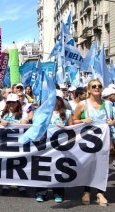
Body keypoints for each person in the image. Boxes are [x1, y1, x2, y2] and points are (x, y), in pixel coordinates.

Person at [72, 79, 112, 207]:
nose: (97, 88)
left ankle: (100, 193)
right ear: (88, 89)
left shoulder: (108, 104)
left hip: (104, 141)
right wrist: (84, 120)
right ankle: (87, 191)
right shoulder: (83, 104)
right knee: (88, 165)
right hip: (87, 141)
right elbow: (74, 121)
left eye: (99, 86)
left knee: (102, 166)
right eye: (94, 86)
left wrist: (112, 122)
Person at [35, 90, 71, 203]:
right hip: (45, 146)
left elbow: (73, 128)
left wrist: (64, 128)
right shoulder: (43, 113)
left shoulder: (68, 113)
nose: (55, 101)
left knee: (59, 169)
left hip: (60, 147)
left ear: (60, 101)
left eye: (57, 99)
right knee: (44, 169)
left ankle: (58, 193)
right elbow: (36, 126)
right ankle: (41, 193)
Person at [0, 93, 29, 197]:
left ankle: (21, 185)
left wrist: (11, 124)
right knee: (7, 164)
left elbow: (24, 124)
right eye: (9, 102)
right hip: (5, 144)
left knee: (19, 164)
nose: (11, 104)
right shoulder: (2, 114)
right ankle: (6, 185)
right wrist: (0, 123)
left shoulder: (23, 113)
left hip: (19, 144)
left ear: (18, 103)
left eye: (13, 102)